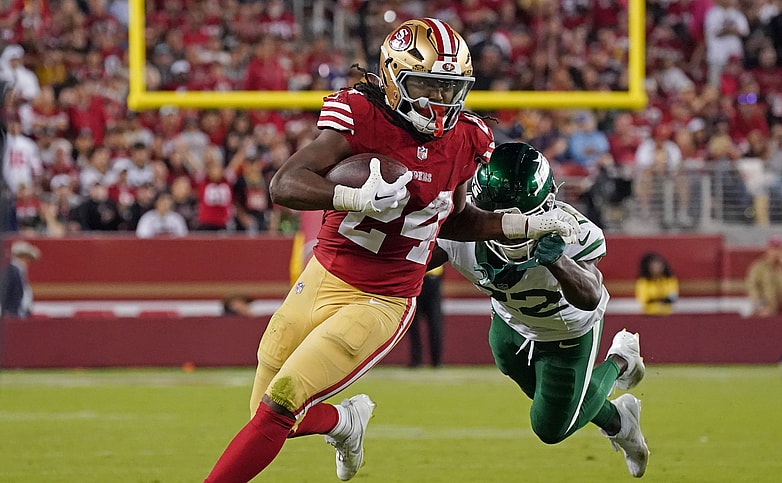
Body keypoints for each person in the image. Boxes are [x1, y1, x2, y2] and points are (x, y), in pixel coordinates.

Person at [203, 19, 578, 483]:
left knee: (281, 404)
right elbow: (284, 184)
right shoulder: (361, 114)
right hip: (323, 274)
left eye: (450, 88)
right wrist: (350, 197)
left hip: (382, 298)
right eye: (427, 85)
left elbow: (455, 219)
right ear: (395, 77)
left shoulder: (467, 137)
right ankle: (345, 422)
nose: (440, 101)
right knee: (267, 412)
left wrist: (520, 223)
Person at [430, 142, 649, 478]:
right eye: (499, 216)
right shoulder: (460, 229)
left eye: (520, 216)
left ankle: (620, 360)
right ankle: (619, 421)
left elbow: (591, 295)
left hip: (567, 333)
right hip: (508, 323)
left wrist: (557, 260)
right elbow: (410, 262)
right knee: (520, 373)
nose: (511, 227)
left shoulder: (571, 230)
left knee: (549, 427)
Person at [408, 266, 445, 368]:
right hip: (416, 277)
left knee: (435, 323)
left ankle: (436, 360)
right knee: (413, 323)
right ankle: (416, 360)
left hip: (432, 279)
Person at [0, 240, 41, 318]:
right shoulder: (11, 271)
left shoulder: (18, 271)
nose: (28, 261)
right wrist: (5, 312)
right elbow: (5, 292)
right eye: (27, 257)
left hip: (19, 312)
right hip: (14, 313)